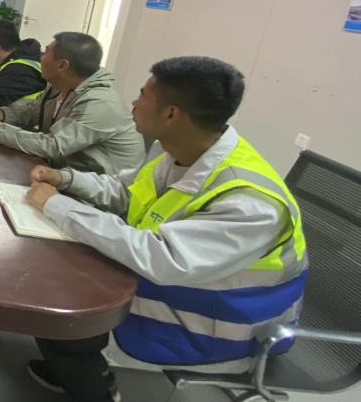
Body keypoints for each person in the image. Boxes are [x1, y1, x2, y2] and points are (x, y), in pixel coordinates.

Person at [23, 56, 307, 402]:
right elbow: (125, 191)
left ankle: (94, 386)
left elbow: (162, 259)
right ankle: (70, 368)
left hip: (218, 322)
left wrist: (58, 205)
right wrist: (65, 179)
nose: (133, 101)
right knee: (53, 275)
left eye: (143, 94)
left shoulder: (249, 202)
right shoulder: (176, 149)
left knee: (58, 297)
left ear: (171, 114)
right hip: (181, 288)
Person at [0, 32, 144, 174]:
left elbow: (54, 146)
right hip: (63, 174)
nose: (40, 57)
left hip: (99, 191)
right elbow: (30, 112)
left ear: (63, 65)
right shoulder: (58, 85)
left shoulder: (99, 103)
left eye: (46, 52)